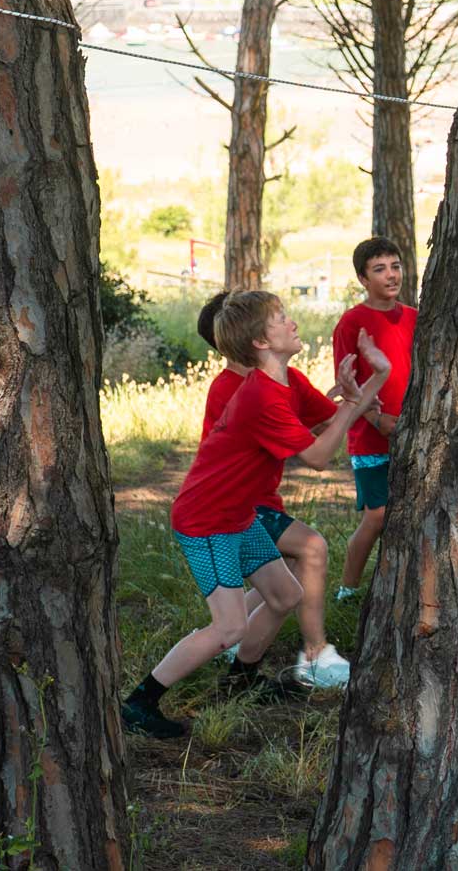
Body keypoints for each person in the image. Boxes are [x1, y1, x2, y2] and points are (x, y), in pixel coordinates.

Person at [120, 292, 387, 740]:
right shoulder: (260, 396)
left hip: (239, 515)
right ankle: (139, 702)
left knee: (285, 594)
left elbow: (341, 419)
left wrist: (378, 376)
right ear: (263, 341)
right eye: (282, 318)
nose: (293, 323)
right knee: (228, 626)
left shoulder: (283, 384)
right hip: (206, 521)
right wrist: (351, 404)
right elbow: (321, 456)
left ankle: (241, 680)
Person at [192, 292, 351, 690]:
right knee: (312, 547)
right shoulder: (234, 389)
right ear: (243, 340)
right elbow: (307, 448)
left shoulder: (284, 379)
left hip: (262, 501)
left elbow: (327, 421)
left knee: (290, 579)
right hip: (239, 505)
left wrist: (364, 401)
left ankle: (238, 647)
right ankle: (315, 653)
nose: (282, 322)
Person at [331, 237, 416, 602]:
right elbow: (345, 381)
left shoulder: (415, 317)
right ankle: (347, 589)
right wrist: (374, 417)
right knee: (378, 515)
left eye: (395, 266)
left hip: (413, 430)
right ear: (363, 279)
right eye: (379, 269)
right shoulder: (352, 323)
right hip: (372, 436)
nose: (391, 275)